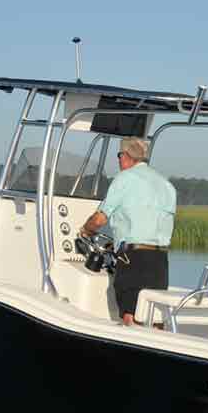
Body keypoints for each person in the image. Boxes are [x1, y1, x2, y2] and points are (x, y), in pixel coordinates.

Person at [80, 136, 176, 326]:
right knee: (153, 317)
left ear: (125, 156)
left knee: (130, 315)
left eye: (119, 155)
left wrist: (85, 230)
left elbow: (100, 219)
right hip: (160, 260)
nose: (118, 160)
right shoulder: (166, 185)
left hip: (134, 258)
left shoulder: (124, 178)